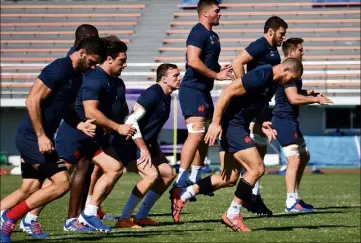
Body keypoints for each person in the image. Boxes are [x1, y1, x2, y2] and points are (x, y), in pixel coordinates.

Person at [170, 58, 304, 232]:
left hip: (237, 126)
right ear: (285, 70)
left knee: (228, 178)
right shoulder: (263, 73)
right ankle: (233, 213)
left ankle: (183, 194)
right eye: (291, 78)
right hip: (231, 125)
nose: (290, 82)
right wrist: (216, 123)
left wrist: (260, 124)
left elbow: (249, 107)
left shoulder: (272, 83)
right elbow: (228, 92)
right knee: (257, 168)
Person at [0, 36, 105, 243]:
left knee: (29, 188)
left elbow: (64, 108)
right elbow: (32, 100)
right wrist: (41, 136)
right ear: (82, 53)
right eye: (92, 62)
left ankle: (7, 217)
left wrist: (80, 124)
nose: (93, 67)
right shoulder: (58, 68)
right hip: (32, 137)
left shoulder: (77, 76)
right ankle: (10, 219)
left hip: (38, 137)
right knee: (61, 183)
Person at [73, 36, 136, 232]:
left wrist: (122, 122)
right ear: (109, 59)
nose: (124, 65)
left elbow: (117, 110)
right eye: (121, 60)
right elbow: (91, 112)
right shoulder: (95, 79)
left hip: (97, 138)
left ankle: (89, 214)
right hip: (77, 136)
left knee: (114, 168)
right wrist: (117, 127)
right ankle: (26, 216)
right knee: (52, 183)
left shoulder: (116, 82)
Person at [173, 0, 234, 198]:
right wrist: (216, 75)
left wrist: (219, 69)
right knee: (197, 134)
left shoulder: (213, 36)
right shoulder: (198, 32)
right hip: (192, 89)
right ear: (206, 13)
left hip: (204, 90)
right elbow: (193, 61)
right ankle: (180, 179)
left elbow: (208, 63)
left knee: (205, 137)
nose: (220, 14)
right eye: (217, 11)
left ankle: (196, 175)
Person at [230, 16, 288, 216]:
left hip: (261, 104)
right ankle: (249, 195)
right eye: (281, 33)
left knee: (260, 147)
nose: (283, 37)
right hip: (252, 104)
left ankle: (253, 193)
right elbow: (238, 61)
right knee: (253, 156)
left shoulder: (272, 51)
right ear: (271, 31)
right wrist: (243, 87)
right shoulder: (260, 45)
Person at [112, 63, 180, 228]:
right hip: (129, 144)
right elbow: (131, 121)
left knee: (168, 174)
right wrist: (143, 148)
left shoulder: (166, 95)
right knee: (151, 175)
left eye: (179, 75)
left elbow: (150, 128)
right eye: (175, 76)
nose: (179, 78)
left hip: (146, 143)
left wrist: (152, 148)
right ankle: (124, 219)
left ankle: (141, 216)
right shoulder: (153, 93)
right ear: (164, 79)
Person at [272, 38, 332, 213]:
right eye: (300, 49)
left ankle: (295, 197)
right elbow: (293, 98)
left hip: (290, 120)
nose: (303, 52)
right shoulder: (288, 72)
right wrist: (315, 99)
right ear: (291, 53)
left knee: (304, 156)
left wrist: (309, 92)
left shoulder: (294, 73)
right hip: (283, 120)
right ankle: (291, 202)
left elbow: (294, 94)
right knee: (294, 159)